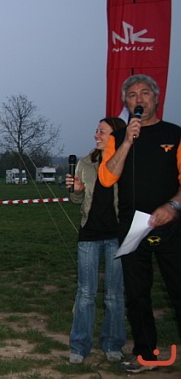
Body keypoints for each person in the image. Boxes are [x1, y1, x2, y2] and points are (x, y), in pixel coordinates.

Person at [98, 74, 181, 374]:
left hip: (172, 224)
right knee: (137, 295)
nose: (139, 99)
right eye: (132, 95)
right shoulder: (118, 138)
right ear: (126, 102)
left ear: (156, 98)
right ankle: (146, 354)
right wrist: (127, 142)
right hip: (133, 228)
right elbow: (107, 178)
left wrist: (173, 206)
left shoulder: (175, 134)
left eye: (145, 93)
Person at [67, 117, 127, 365]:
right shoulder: (85, 163)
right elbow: (76, 201)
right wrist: (77, 191)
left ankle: (113, 344)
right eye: (96, 131)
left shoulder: (126, 163)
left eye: (102, 131)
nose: (96, 135)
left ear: (116, 136)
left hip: (117, 236)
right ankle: (79, 347)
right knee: (85, 293)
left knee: (114, 295)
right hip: (89, 235)